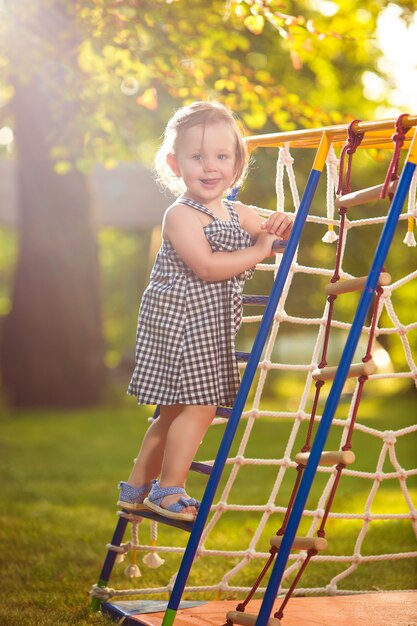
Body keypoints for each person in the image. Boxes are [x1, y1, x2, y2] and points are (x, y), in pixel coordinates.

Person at [118, 101, 292, 522]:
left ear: (237, 163)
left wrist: (282, 229)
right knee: (201, 406)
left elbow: (273, 239)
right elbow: (208, 267)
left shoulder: (239, 211)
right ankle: (169, 489)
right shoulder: (180, 215)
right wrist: (257, 251)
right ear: (176, 164)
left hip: (208, 326)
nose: (210, 166)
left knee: (176, 408)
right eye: (197, 157)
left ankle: (137, 485)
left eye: (221, 155)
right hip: (178, 322)